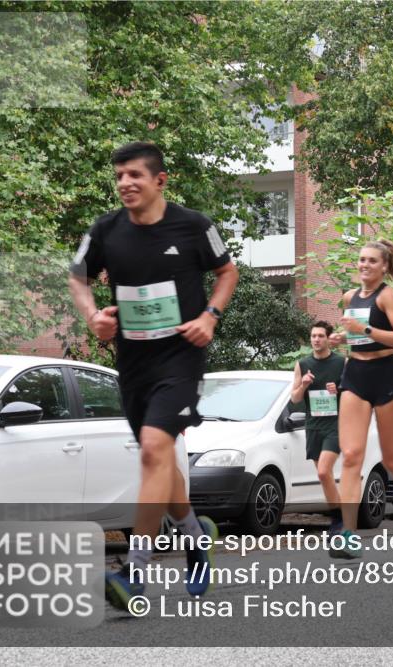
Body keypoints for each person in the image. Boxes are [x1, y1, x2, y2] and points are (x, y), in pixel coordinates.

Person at [69, 141, 239, 609]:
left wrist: (209, 316)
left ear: (159, 181)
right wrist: (92, 316)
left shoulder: (193, 225)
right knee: (159, 461)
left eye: (135, 175)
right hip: (134, 362)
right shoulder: (105, 230)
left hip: (182, 357)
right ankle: (195, 536)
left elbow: (227, 272)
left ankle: (135, 571)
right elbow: (78, 278)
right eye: (119, 176)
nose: (125, 183)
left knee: (152, 450)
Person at [327, 239, 393, 559]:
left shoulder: (387, 296)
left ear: (384, 266)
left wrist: (365, 329)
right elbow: (354, 337)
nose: (365, 265)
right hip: (355, 374)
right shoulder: (349, 297)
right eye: (361, 259)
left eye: (372, 260)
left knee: (390, 458)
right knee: (351, 456)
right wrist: (342, 338)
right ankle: (348, 534)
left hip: (386, 374)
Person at [290, 321, 345, 535]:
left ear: (328, 339)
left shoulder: (341, 362)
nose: (316, 339)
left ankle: (338, 521)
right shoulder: (303, 364)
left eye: (320, 336)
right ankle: (340, 517)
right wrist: (304, 384)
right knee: (325, 475)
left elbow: (353, 392)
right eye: (313, 336)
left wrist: (338, 389)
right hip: (313, 426)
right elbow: (295, 399)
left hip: (335, 425)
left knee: (323, 471)